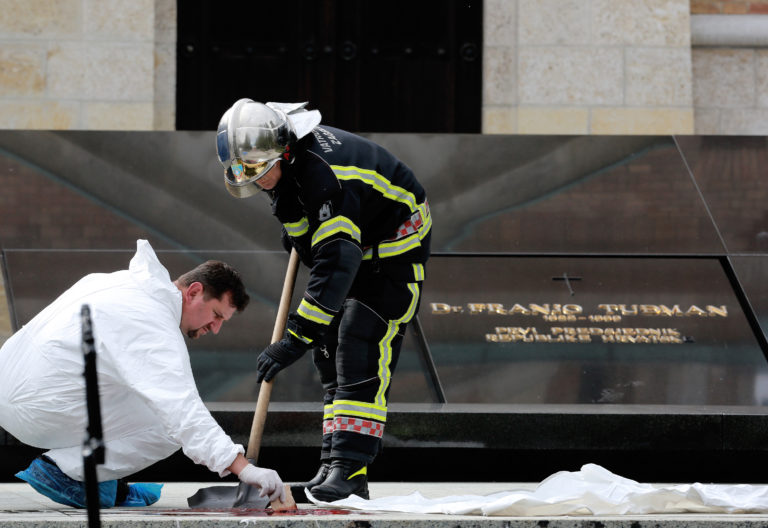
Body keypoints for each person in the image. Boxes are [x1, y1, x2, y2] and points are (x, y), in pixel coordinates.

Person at [215, 99, 431, 501]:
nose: (256, 180)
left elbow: (336, 260)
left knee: (359, 343)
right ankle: (332, 465)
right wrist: (301, 237)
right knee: (328, 351)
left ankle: (351, 472)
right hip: (354, 247)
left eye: (260, 170)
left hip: (392, 254)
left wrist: (293, 339)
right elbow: (311, 242)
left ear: (285, 150)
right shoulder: (282, 174)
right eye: (245, 172)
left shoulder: (324, 175)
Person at [0, 239, 285, 508]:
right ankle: (66, 471)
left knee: (141, 387)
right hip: (39, 408)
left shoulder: (116, 282)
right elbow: (181, 409)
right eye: (217, 315)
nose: (216, 328)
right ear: (194, 291)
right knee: (168, 424)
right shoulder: (152, 322)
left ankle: (103, 481)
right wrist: (244, 468)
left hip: (11, 388)